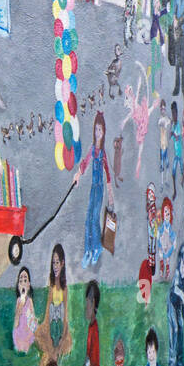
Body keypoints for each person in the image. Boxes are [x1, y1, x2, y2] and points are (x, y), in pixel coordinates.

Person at [78, 113, 115, 267]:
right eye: (96, 129)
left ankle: (97, 248)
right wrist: (77, 175)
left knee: (94, 219)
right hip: (93, 188)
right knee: (88, 219)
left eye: (100, 130)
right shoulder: (93, 149)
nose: (97, 132)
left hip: (99, 189)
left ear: (103, 132)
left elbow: (107, 174)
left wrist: (110, 193)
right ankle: (88, 250)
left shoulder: (103, 153)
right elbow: (85, 163)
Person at [34, 244, 72, 363]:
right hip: (50, 323)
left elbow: (65, 315)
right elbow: (47, 313)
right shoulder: (51, 286)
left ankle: (54, 352)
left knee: (67, 344)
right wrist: (47, 329)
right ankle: (51, 353)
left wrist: (61, 338)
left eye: (57, 262)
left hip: (60, 324)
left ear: (62, 263)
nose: (55, 266)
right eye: (53, 263)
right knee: (38, 334)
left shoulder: (65, 289)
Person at [167, 243, 184, 366]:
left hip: (179, 307)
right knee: (174, 329)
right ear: (178, 264)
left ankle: (180, 358)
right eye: (182, 265)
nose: (183, 269)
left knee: (181, 327)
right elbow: (178, 292)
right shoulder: (177, 276)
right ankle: (172, 361)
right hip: (172, 304)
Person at [12, 266, 39, 353]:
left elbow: (32, 318)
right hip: (19, 333)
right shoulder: (18, 301)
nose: (23, 283)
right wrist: (21, 304)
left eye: (25, 280)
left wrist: (35, 320)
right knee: (19, 344)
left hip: (28, 332)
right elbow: (16, 324)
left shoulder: (30, 301)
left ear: (28, 285)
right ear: (18, 286)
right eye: (20, 281)